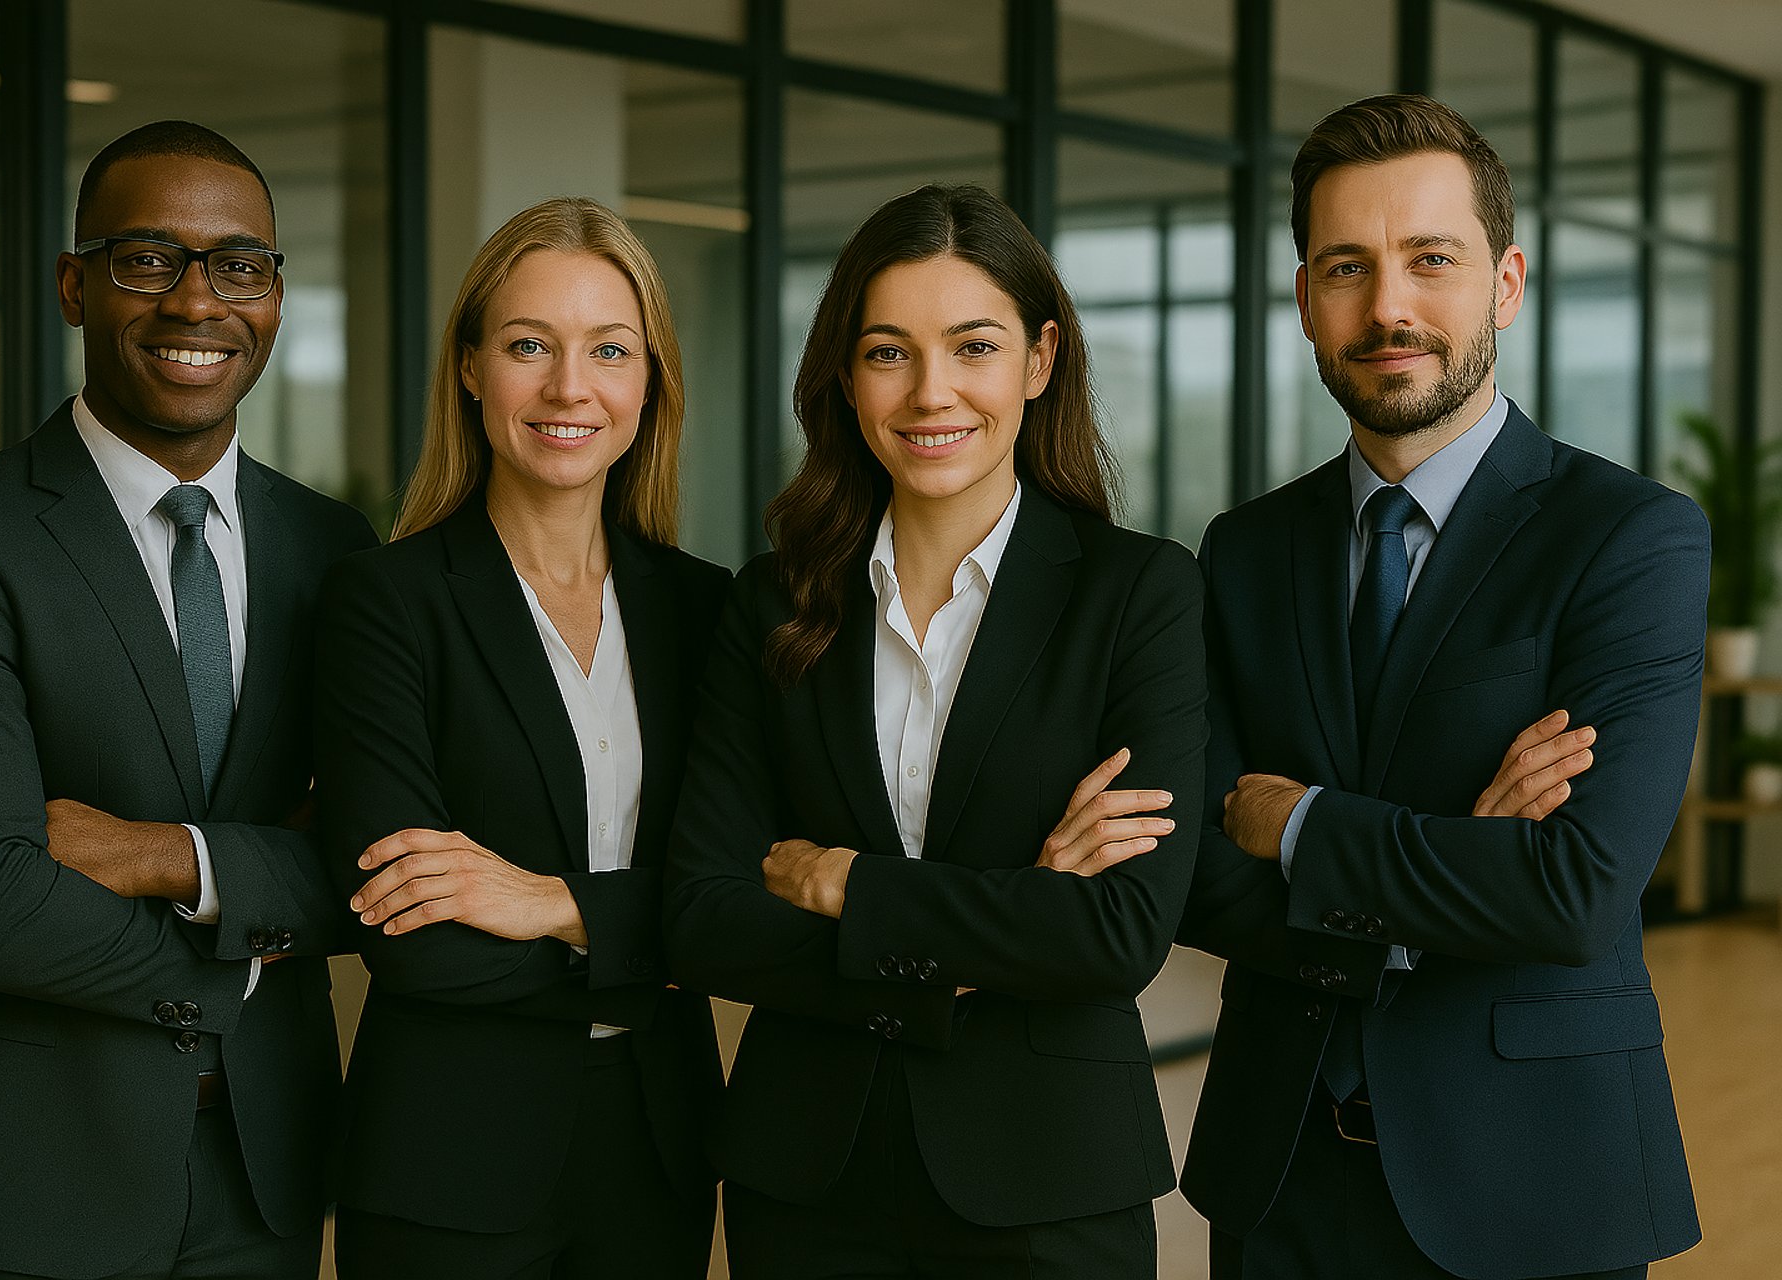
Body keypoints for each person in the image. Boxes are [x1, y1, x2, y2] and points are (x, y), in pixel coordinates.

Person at [1177, 93, 1705, 1280]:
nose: (1389, 307)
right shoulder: (1244, 551)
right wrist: (1460, 855)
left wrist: (1301, 821)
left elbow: (1573, 892)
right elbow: (1199, 876)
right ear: (1306, 297)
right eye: (1347, 267)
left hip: (1536, 1179)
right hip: (1284, 1174)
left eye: (1431, 260)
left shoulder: (1629, 538)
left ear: (1506, 283)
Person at [664, 183, 1204, 1279]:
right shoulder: (771, 601)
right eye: (888, 351)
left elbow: (1117, 933)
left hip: (1049, 1179)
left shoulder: (1138, 593)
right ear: (846, 376)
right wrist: (1007, 913)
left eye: (974, 345)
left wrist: (848, 886)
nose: (931, 392)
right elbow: (702, 915)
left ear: (1040, 360)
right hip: (807, 1176)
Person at [0, 121, 376, 1279]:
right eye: (149, 258)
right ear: (75, 285)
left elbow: (373, 863)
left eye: (239, 263)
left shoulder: (337, 551)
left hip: (267, 1168)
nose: (198, 301)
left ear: (276, 298)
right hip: (29, 1178)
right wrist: (250, 938)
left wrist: (164, 856)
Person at [315, 197, 726, 1279]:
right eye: (528, 345)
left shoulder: (706, 611)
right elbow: (407, 934)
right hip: (449, 1160)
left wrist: (552, 903)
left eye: (608, 349)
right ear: (469, 367)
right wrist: (667, 941)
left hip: (656, 1147)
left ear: (649, 381)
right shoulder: (385, 601)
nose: (568, 387)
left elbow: (735, 892)